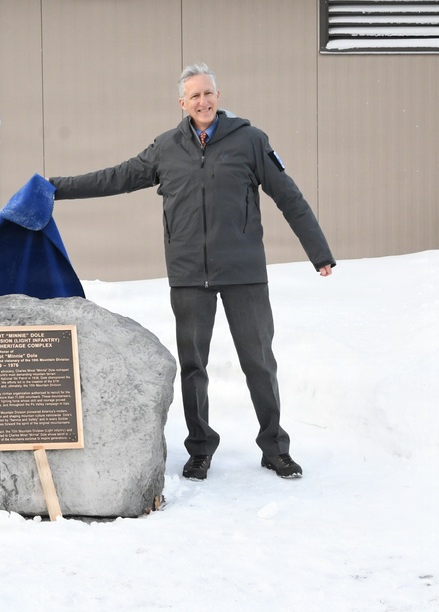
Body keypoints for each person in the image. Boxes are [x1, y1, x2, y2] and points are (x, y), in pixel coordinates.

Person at [49, 63, 334, 481]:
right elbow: (117, 177)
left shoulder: (251, 141)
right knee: (193, 365)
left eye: (209, 93)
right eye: (194, 95)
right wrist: (55, 186)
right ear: (182, 103)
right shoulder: (166, 148)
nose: (203, 101)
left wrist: (319, 252)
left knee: (259, 362)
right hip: (187, 274)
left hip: (243, 272)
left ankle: (274, 447)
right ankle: (200, 447)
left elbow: (289, 197)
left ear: (218, 97)